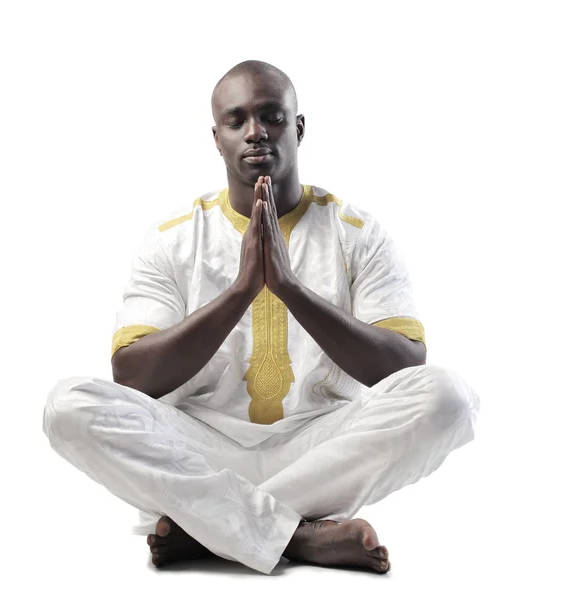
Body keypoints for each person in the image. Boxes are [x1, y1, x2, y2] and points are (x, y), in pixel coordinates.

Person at [43, 60, 480, 576]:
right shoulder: (174, 240)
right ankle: (297, 535)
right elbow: (133, 376)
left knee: (449, 397)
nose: (256, 132)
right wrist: (241, 290)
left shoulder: (357, 232)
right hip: (200, 448)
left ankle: (213, 529)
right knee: (67, 407)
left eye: (271, 116)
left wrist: (291, 289)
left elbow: (403, 366)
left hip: (322, 449)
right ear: (217, 137)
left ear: (297, 127)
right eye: (237, 121)